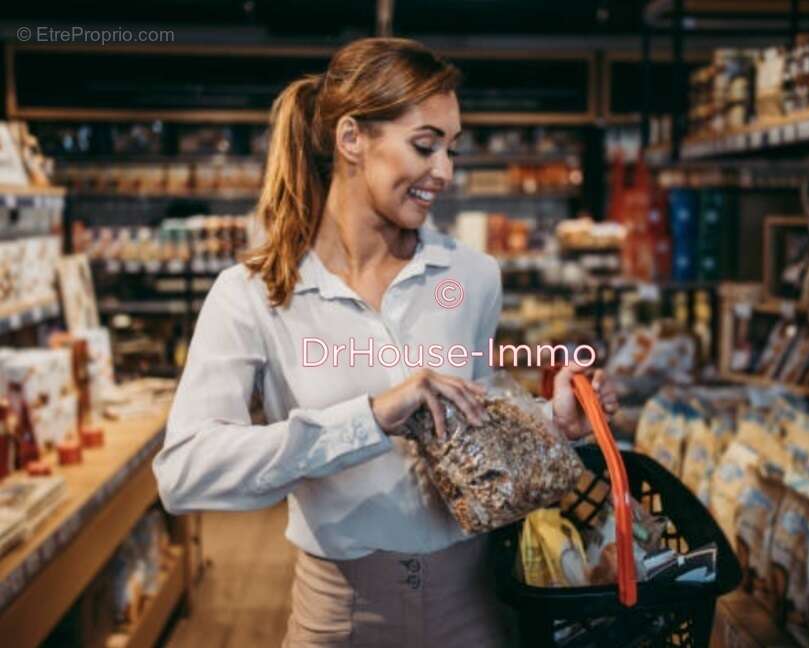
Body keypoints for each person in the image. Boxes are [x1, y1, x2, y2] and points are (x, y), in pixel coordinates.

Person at [152, 37, 619, 648]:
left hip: (474, 607)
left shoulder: (470, 278)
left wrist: (548, 426)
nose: (445, 171)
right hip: (338, 616)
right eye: (425, 146)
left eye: (451, 149)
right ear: (352, 139)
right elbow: (184, 473)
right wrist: (370, 419)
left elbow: (474, 436)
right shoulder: (255, 294)